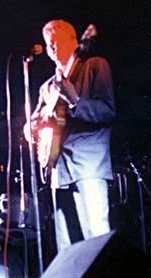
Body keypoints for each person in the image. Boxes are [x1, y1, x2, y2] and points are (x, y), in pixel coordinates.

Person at [24, 19, 115, 253]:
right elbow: (33, 125)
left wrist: (75, 99)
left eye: (57, 41)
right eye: (48, 43)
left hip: (89, 166)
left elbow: (107, 111)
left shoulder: (95, 66)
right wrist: (31, 128)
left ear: (75, 42)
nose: (52, 47)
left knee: (97, 238)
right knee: (68, 247)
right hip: (58, 171)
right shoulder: (48, 87)